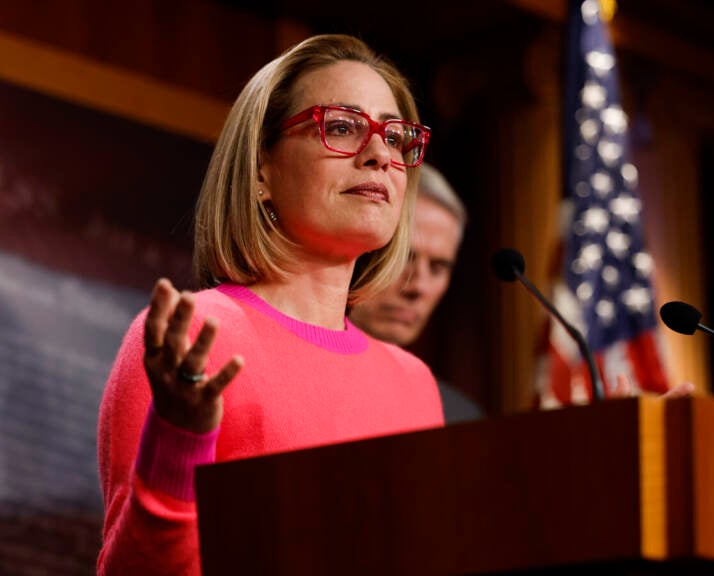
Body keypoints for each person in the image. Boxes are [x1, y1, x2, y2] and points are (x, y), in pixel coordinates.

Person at [96, 34, 444, 575]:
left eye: (397, 138)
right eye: (342, 127)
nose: (380, 154)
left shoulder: (414, 384)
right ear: (261, 169)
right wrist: (178, 441)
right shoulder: (195, 340)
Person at [349, 163, 485, 423]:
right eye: (404, 258)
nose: (418, 287)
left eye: (437, 268)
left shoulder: (460, 417)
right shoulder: (297, 385)